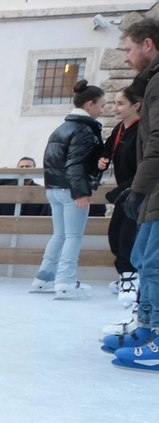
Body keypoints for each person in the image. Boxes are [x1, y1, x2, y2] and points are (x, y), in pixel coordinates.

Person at [106, 19, 159, 369]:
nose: (125, 58)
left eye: (128, 49)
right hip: (152, 186)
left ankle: (154, 333)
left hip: (154, 186)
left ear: (148, 44)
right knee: (144, 259)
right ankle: (147, 327)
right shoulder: (151, 81)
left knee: (152, 263)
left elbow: (157, 142)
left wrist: (137, 190)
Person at [31, 80, 106, 300]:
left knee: (60, 235)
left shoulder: (61, 128)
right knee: (73, 236)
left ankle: (43, 278)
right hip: (71, 189)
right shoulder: (83, 130)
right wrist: (81, 192)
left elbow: (55, 160)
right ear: (90, 104)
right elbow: (75, 163)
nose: (103, 110)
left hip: (54, 188)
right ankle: (65, 281)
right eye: (102, 105)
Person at [104, 87, 142, 304]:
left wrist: (120, 191)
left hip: (137, 191)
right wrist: (103, 158)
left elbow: (143, 167)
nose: (115, 108)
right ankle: (125, 276)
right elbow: (108, 148)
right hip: (124, 192)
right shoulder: (120, 128)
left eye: (120, 103)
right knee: (115, 233)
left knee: (128, 234)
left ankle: (130, 277)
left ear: (135, 106)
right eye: (114, 103)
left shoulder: (142, 131)